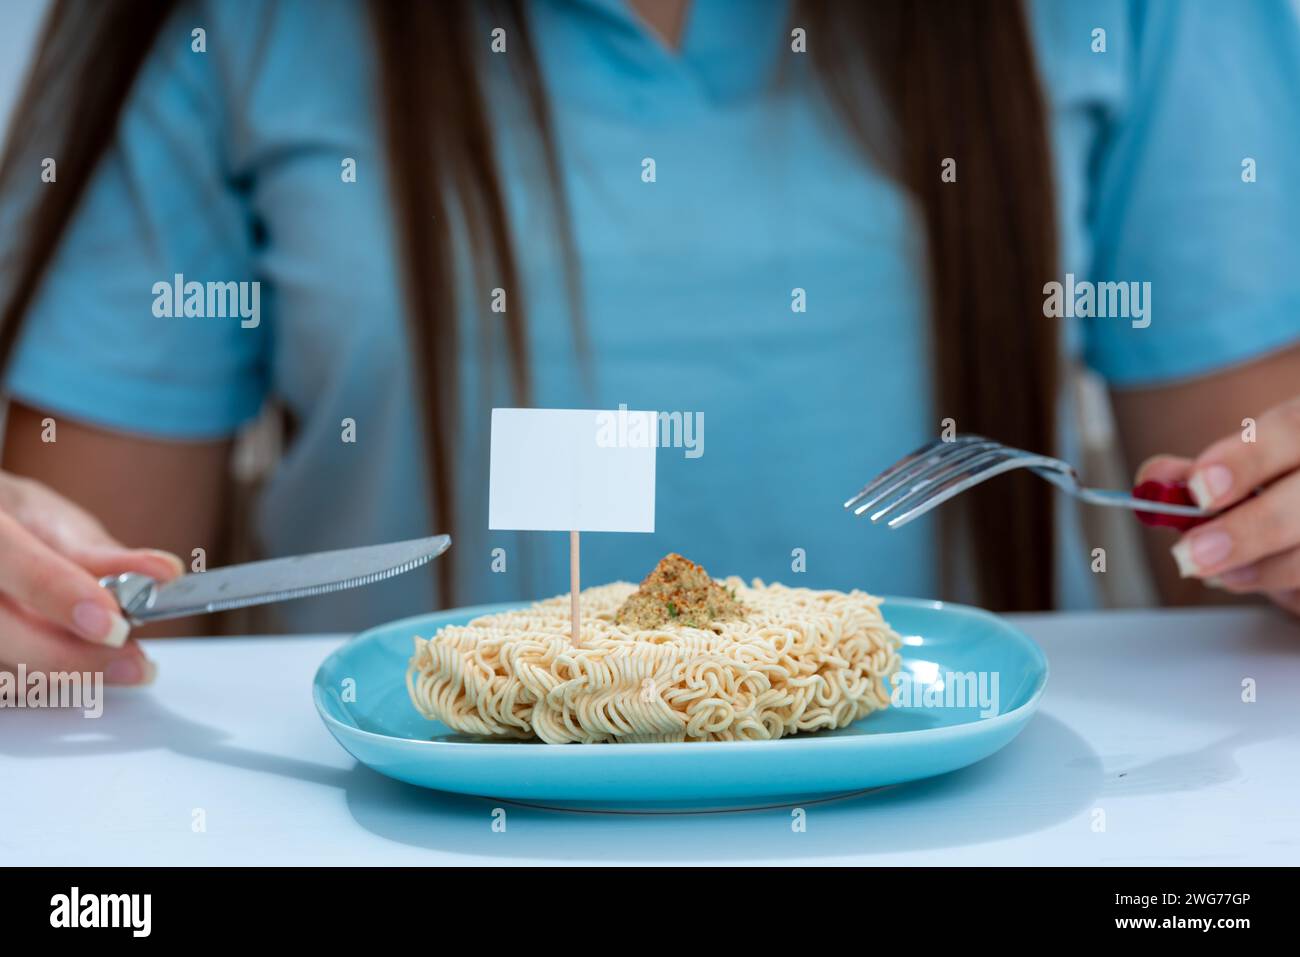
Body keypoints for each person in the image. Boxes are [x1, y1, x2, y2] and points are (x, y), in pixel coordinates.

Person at [1, 0, 1298, 686]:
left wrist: (1270, 525)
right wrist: (40, 595)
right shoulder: (221, 19)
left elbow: (1240, 527)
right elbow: (119, 613)